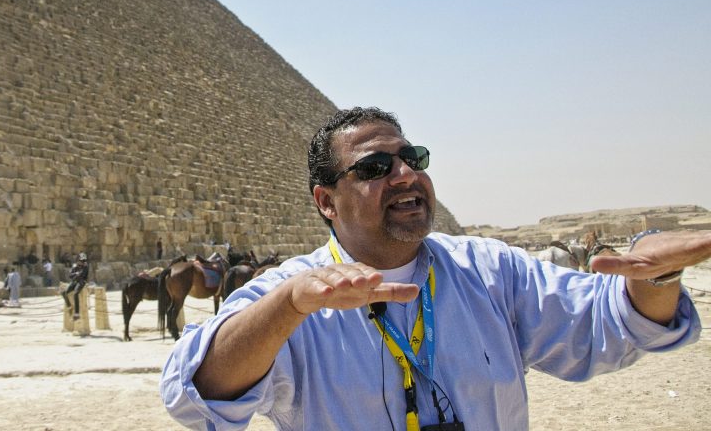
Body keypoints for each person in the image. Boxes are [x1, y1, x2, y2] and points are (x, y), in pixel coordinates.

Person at [162, 106, 709, 430]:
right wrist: (287, 308)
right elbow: (198, 391)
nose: (404, 174)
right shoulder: (289, 293)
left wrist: (655, 278)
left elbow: (609, 325)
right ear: (326, 202)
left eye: (412, 159)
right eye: (375, 167)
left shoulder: (490, 270)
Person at [62, 252, 90, 318]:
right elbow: (70, 275)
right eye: (81, 261)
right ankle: (69, 306)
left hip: (82, 281)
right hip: (75, 281)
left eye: (83, 261)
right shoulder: (75, 266)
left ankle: (77, 313)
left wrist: (76, 275)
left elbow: (82, 275)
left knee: (76, 293)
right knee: (64, 292)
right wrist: (76, 274)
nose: (82, 262)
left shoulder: (85, 266)